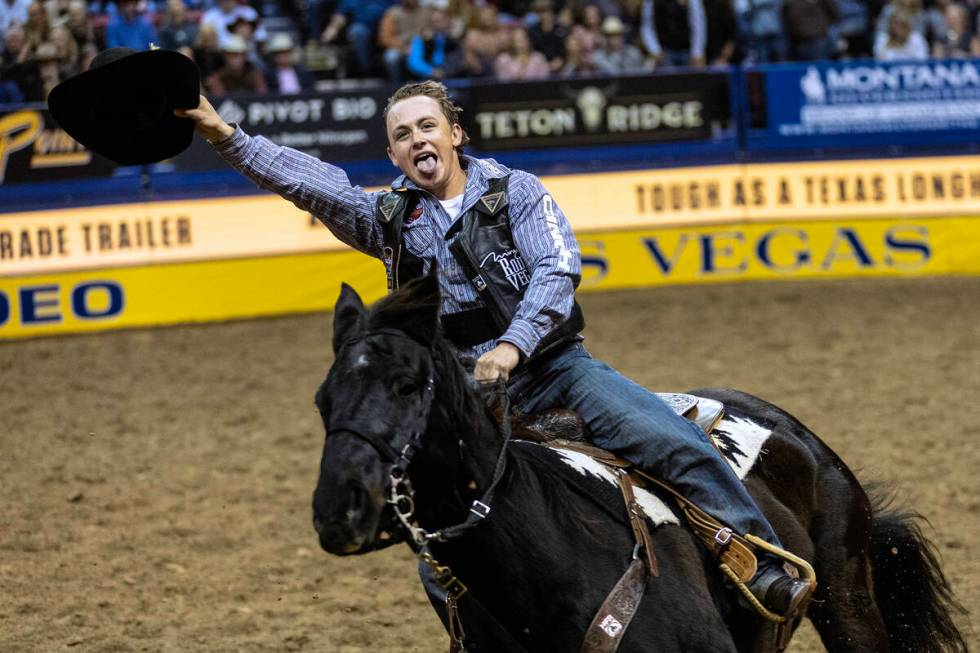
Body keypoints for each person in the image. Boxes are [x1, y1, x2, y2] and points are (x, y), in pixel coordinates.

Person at [176, 80, 814, 621]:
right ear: (395, 155)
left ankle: (756, 561)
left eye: (427, 126)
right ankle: (479, 626)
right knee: (438, 535)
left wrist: (512, 346)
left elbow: (556, 273)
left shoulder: (516, 193)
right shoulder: (392, 218)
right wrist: (224, 135)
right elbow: (314, 185)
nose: (417, 141)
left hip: (555, 370)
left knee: (669, 441)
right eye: (402, 135)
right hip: (463, 396)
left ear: (456, 134)